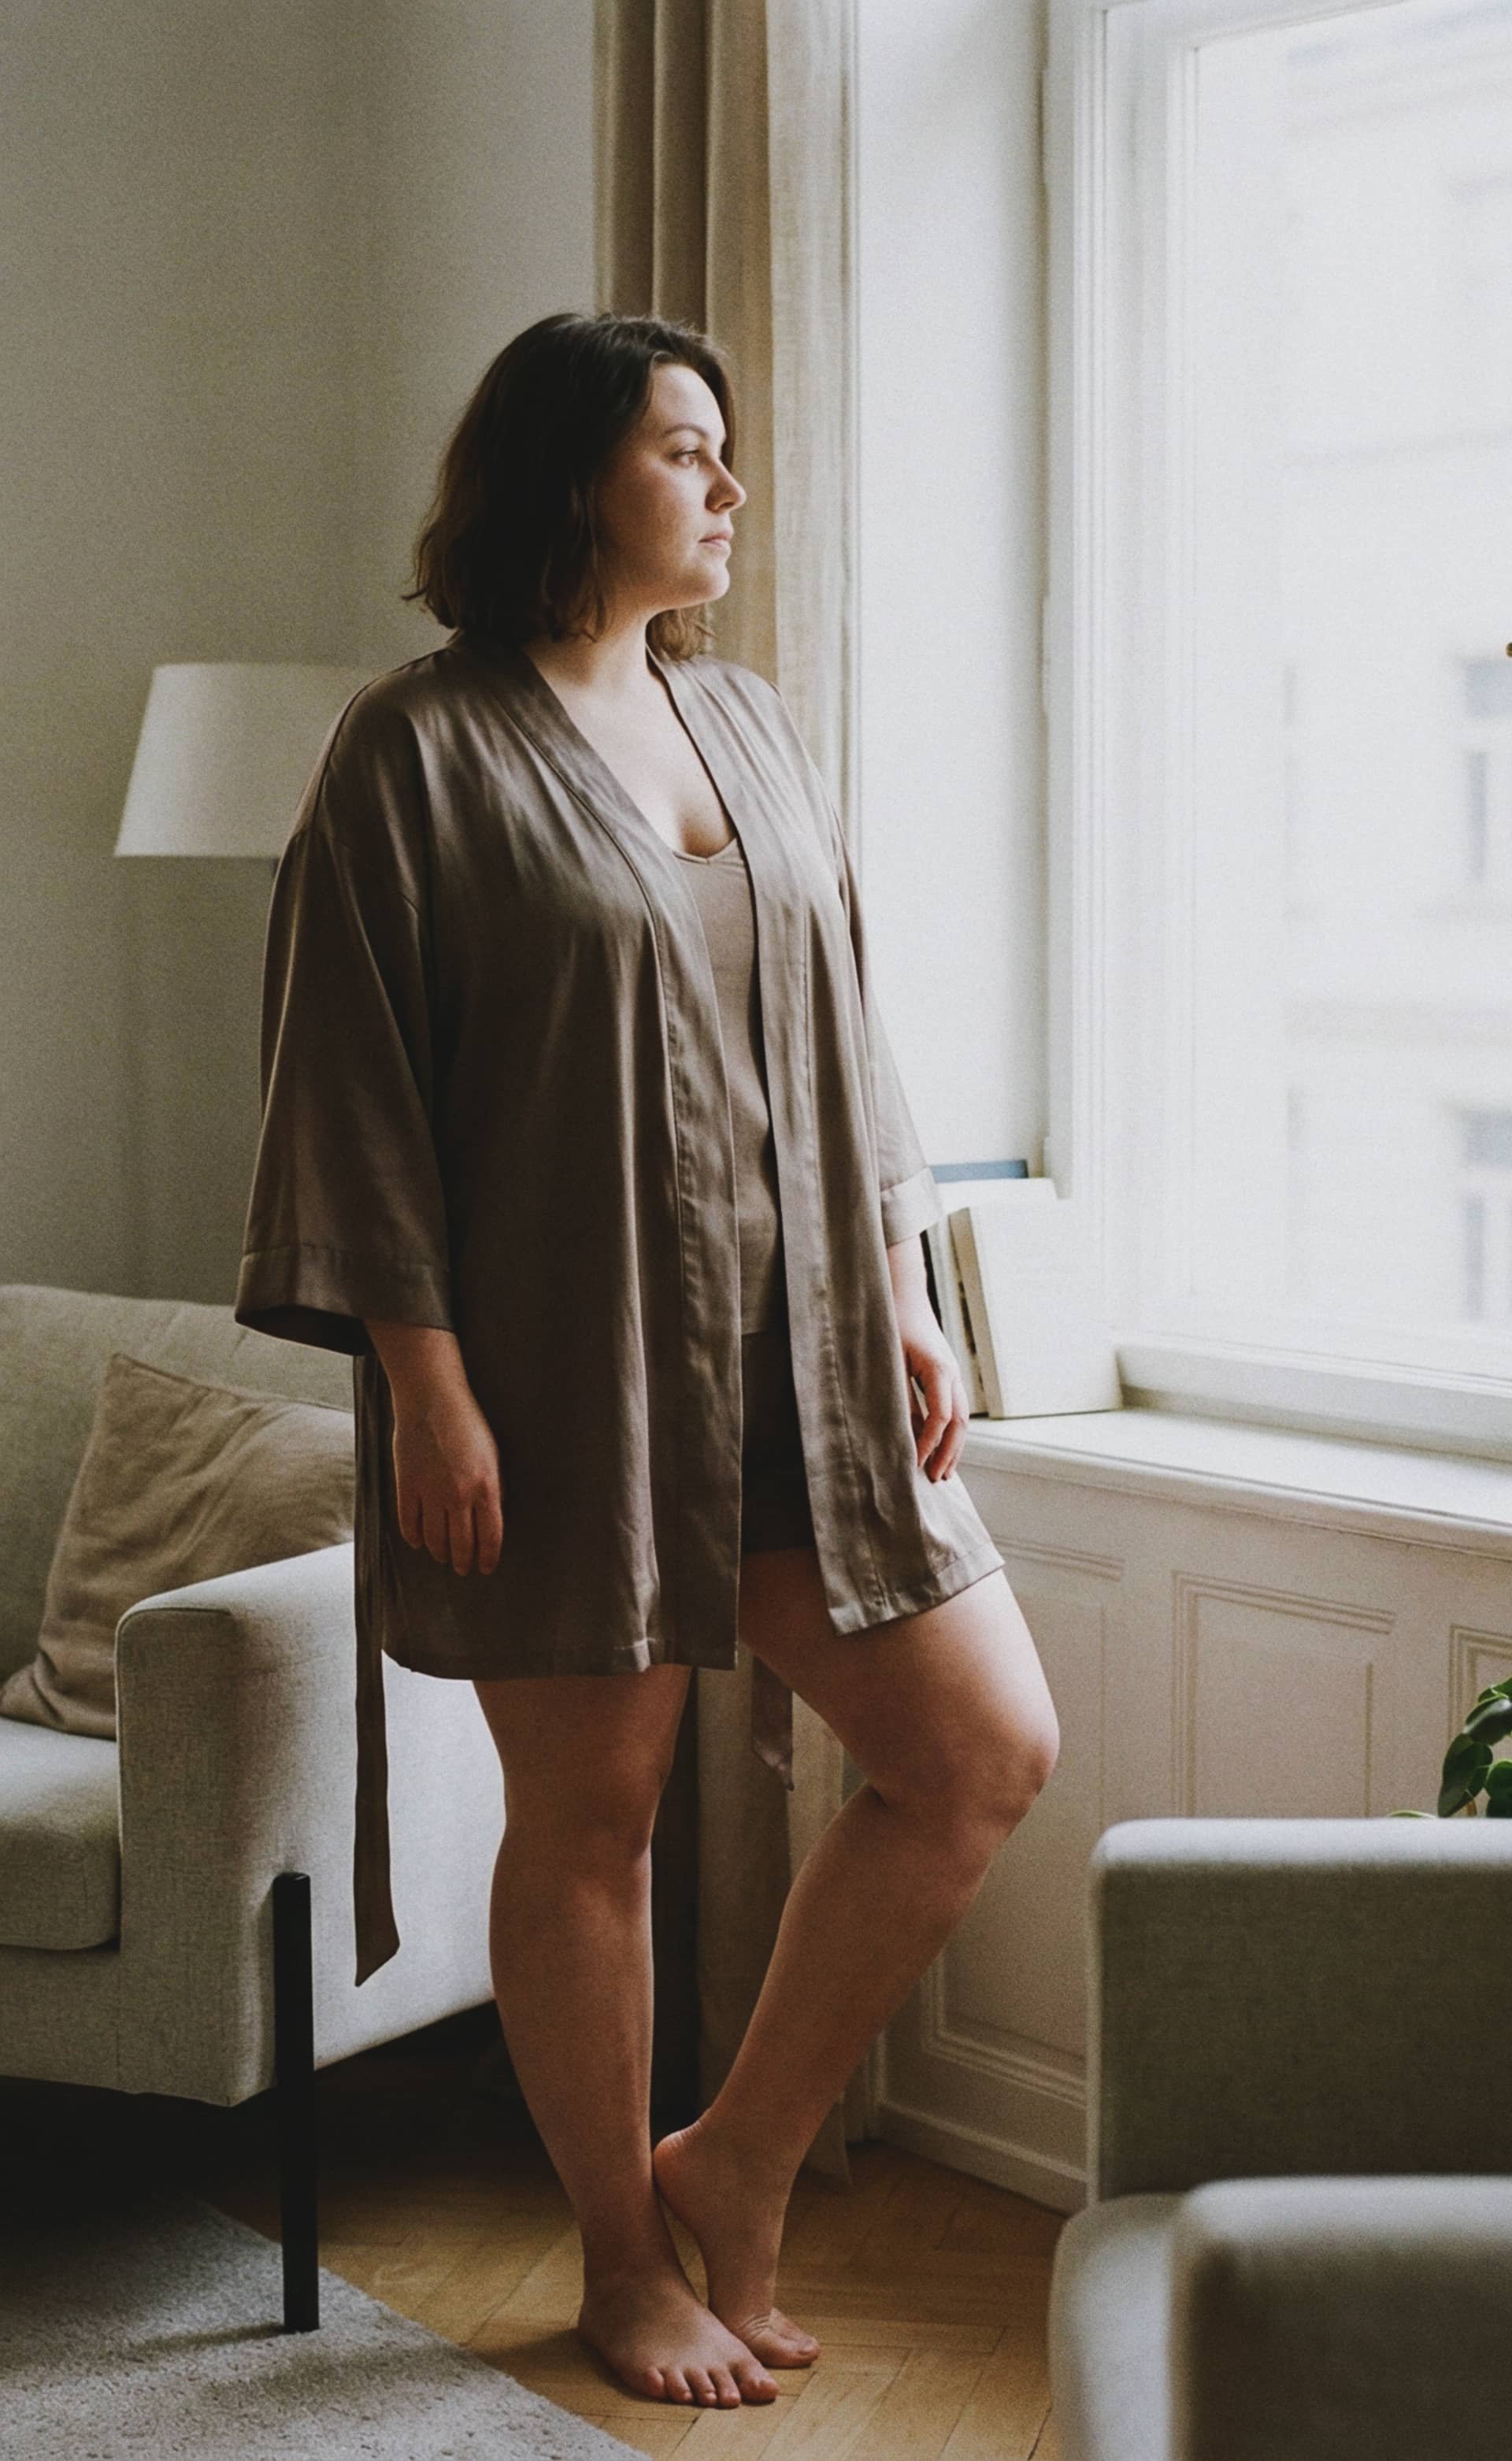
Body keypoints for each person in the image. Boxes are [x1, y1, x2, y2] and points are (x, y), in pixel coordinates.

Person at [233, 309, 1060, 2412]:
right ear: (568, 476)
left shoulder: (746, 722)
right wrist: (426, 1385)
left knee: (977, 1750)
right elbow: (353, 1087)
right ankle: (621, 2257)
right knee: (591, 1823)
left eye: (724, 448)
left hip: (803, 1350)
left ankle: (738, 2157)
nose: (727, 485)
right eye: (685, 448)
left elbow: (845, 1017)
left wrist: (901, 1283)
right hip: (560, 1361)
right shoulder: (412, 752)